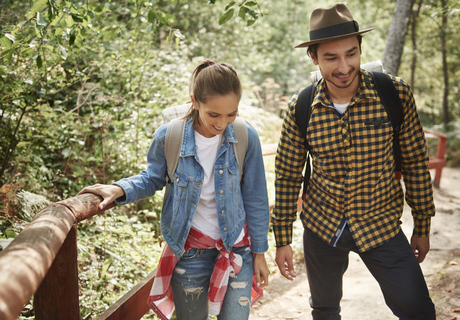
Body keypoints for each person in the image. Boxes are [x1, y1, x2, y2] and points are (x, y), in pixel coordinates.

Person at [271, 3, 436, 320]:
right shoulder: (301, 107)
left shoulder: (394, 94)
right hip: (323, 226)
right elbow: (288, 176)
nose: (344, 66)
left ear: (360, 50)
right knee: (325, 310)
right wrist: (283, 240)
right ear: (314, 57)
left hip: (381, 223)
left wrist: (423, 224)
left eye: (351, 54)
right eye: (331, 57)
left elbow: (416, 162)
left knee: (419, 310)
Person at [79, 59, 270, 320]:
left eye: (231, 114)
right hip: (190, 252)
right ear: (195, 101)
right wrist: (119, 189)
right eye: (214, 114)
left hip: (237, 249)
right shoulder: (170, 137)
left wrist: (259, 253)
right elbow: (152, 179)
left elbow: (256, 196)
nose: (222, 123)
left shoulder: (246, 135)